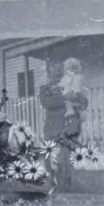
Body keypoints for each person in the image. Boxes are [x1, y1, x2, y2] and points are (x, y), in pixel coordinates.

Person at [39, 60, 88, 190]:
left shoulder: (70, 83)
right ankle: (51, 184)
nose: (57, 75)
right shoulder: (45, 88)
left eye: (59, 72)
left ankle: (66, 187)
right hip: (53, 128)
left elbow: (83, 102)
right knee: (52, 159)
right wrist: (66, 97)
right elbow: (47, 102)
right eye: (54, 72)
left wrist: (79, 98)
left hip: (69, 127)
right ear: (49, 74)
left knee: (67, 159)